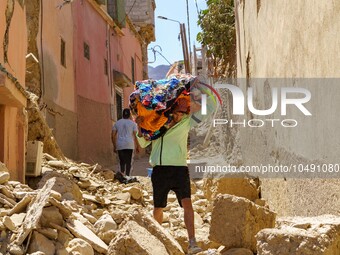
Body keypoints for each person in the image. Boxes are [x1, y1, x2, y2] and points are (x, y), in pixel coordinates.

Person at [135, 98, 203, 254]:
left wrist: (194, 97)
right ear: (170, 111)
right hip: (160, 170)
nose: (179, 115)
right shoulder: (156, 124)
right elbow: (144, 144)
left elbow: (205, 109)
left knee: (187, 204)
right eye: (177, 112)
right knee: (158, 207)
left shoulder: (186, 122)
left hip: (180, 169)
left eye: (182, 112)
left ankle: (192, 242)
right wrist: (139, 125)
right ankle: (158, 239)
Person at [112, 108, 139, 176]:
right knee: (128, 162)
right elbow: (136, 136)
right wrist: (137, 146)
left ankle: (122, 175)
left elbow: (112, 136)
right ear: (130, 115)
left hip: (120, 145)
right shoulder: (133, 124)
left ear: (122, 114)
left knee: (122, 161)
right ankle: (127, 176)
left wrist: (114, 146)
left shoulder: (117, 123)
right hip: (129, 144)